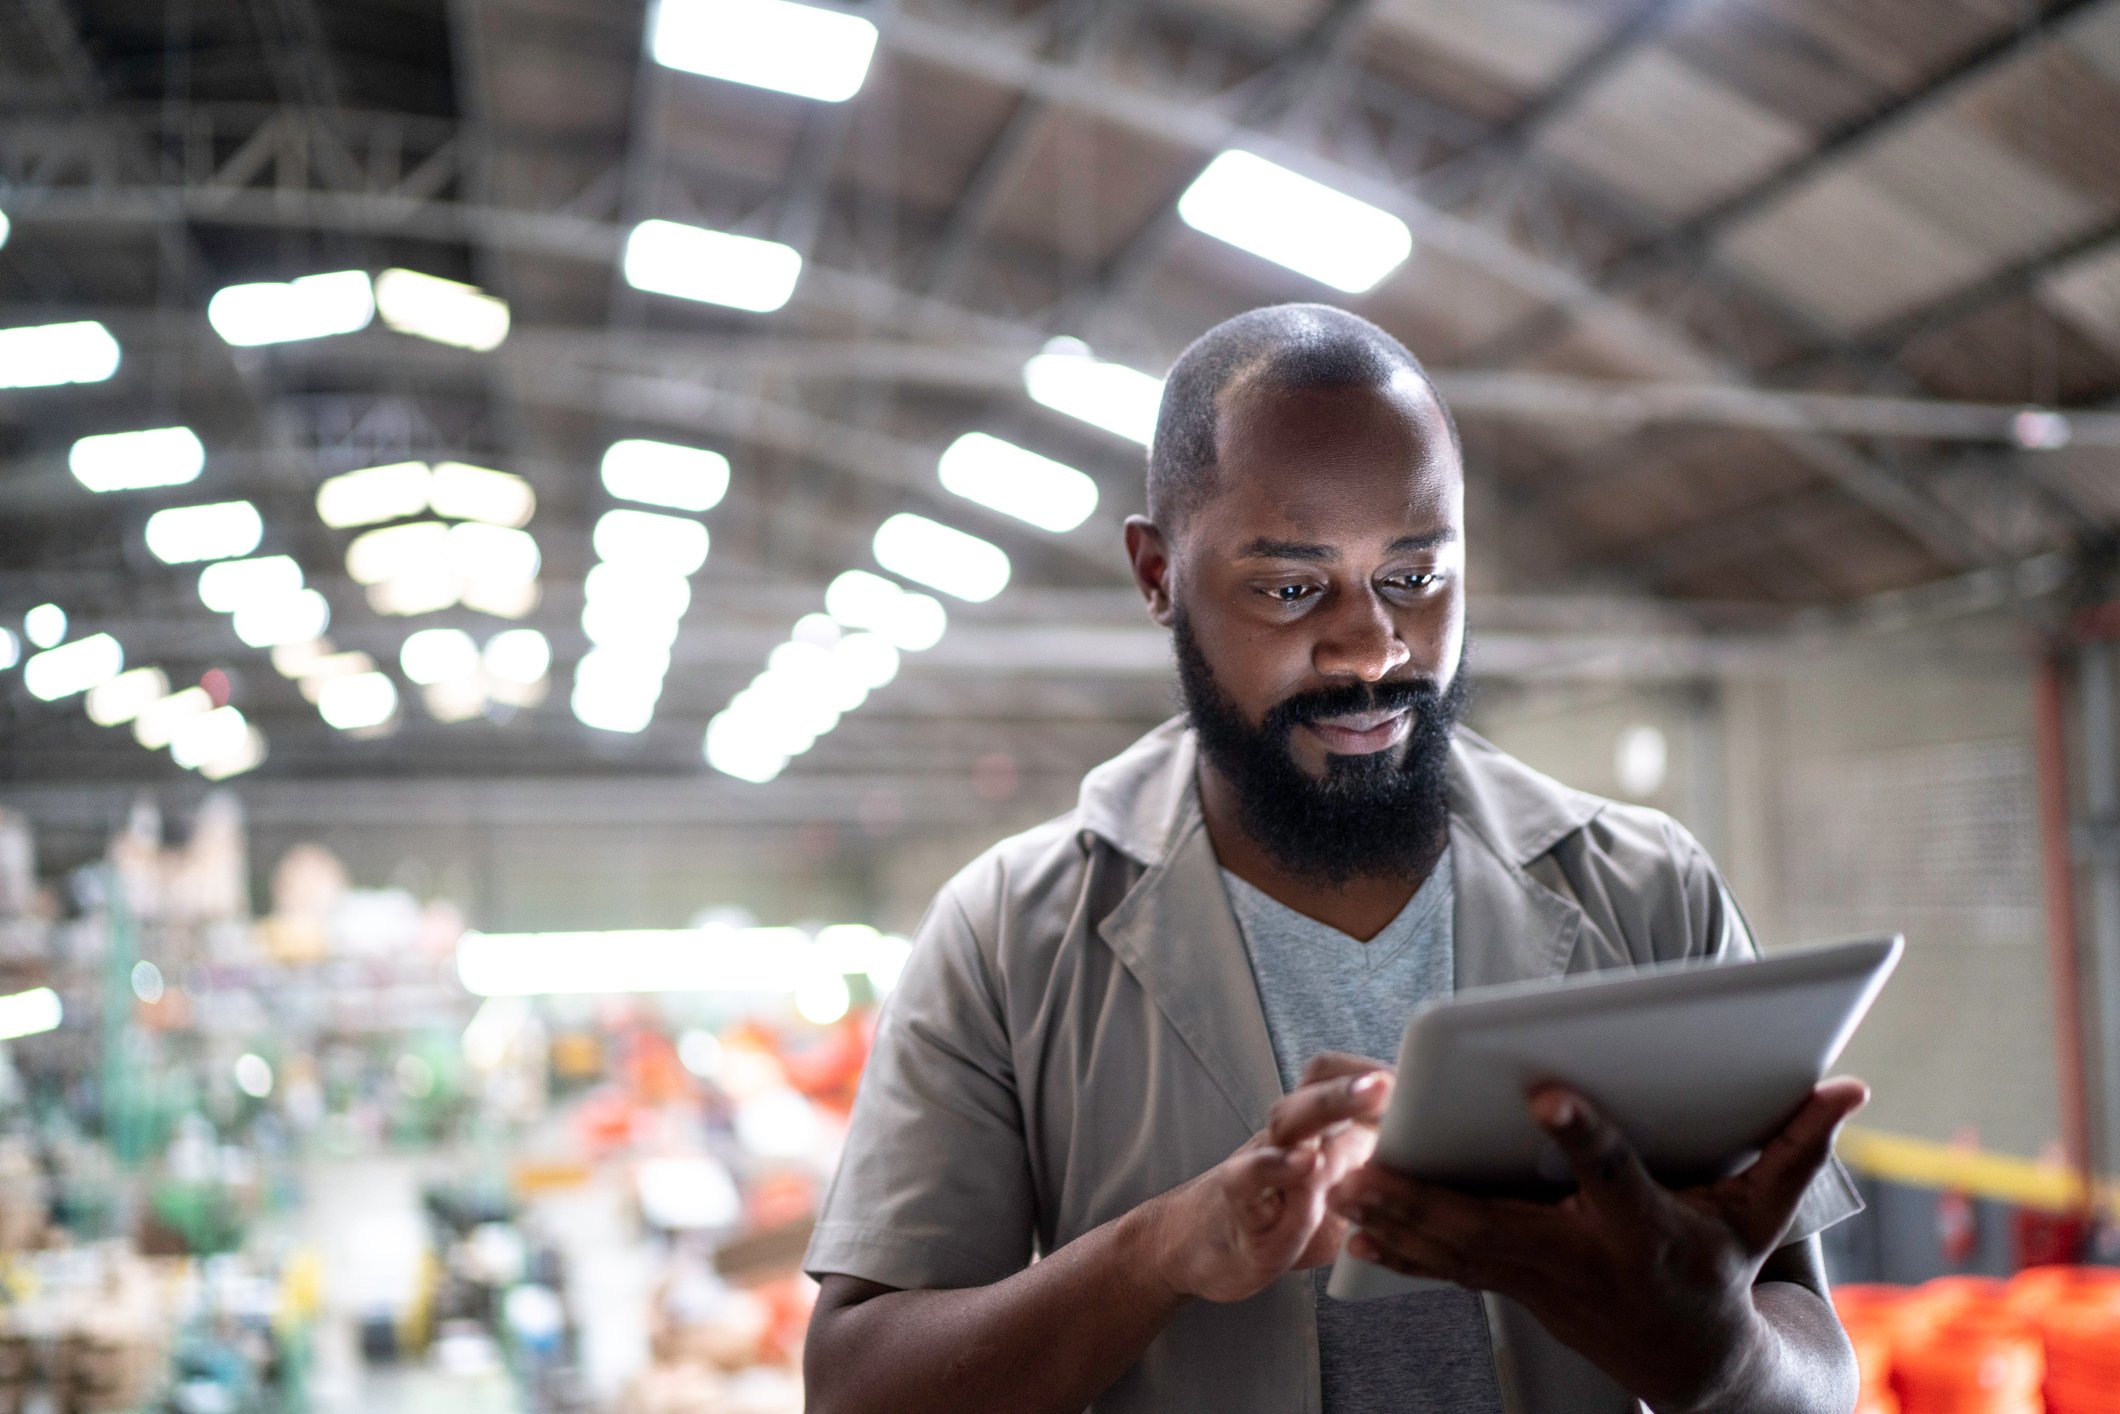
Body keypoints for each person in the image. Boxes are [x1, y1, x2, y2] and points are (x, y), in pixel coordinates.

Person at [801, 304, 1868, 1413]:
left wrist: (1718, 1355)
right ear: (1157, 573)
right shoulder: (1007, 935)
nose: (1370, 649)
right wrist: (1160, 1250)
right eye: (1289, 588)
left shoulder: (1648, 891)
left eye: (1415, 578)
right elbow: (855, 1389)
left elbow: (1813, 1361)